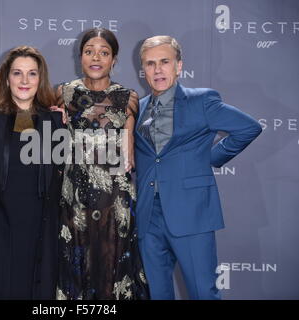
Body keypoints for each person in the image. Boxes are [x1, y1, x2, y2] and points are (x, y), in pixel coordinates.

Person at [135, 35, 262, 300]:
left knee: (203, 293)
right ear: (143, 70)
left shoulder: (201, 101)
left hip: (190, 210)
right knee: (156, 294)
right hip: (149, 216)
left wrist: (211, 158)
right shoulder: (138, 108)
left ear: (178, 66)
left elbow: (249, 128)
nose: (157, 69)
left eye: (164, 62)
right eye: (150, 63)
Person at [54, 28, 149, 300]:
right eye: (89, 51)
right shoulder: (63, 93)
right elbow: (43, 132)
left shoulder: (127, 98)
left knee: (112, 268)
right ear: (80, 56)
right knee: (75, 269)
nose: (96, 57)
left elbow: (129, 149)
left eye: (104, 53)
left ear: (114, 59)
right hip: (74, 200)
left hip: (115, 201)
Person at [0, 46, 63, 299]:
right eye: (17, 73)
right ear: (6, 78)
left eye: (32, 74)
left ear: (40, 79)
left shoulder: (54, 121)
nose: (25, 81)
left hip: (39, 226)